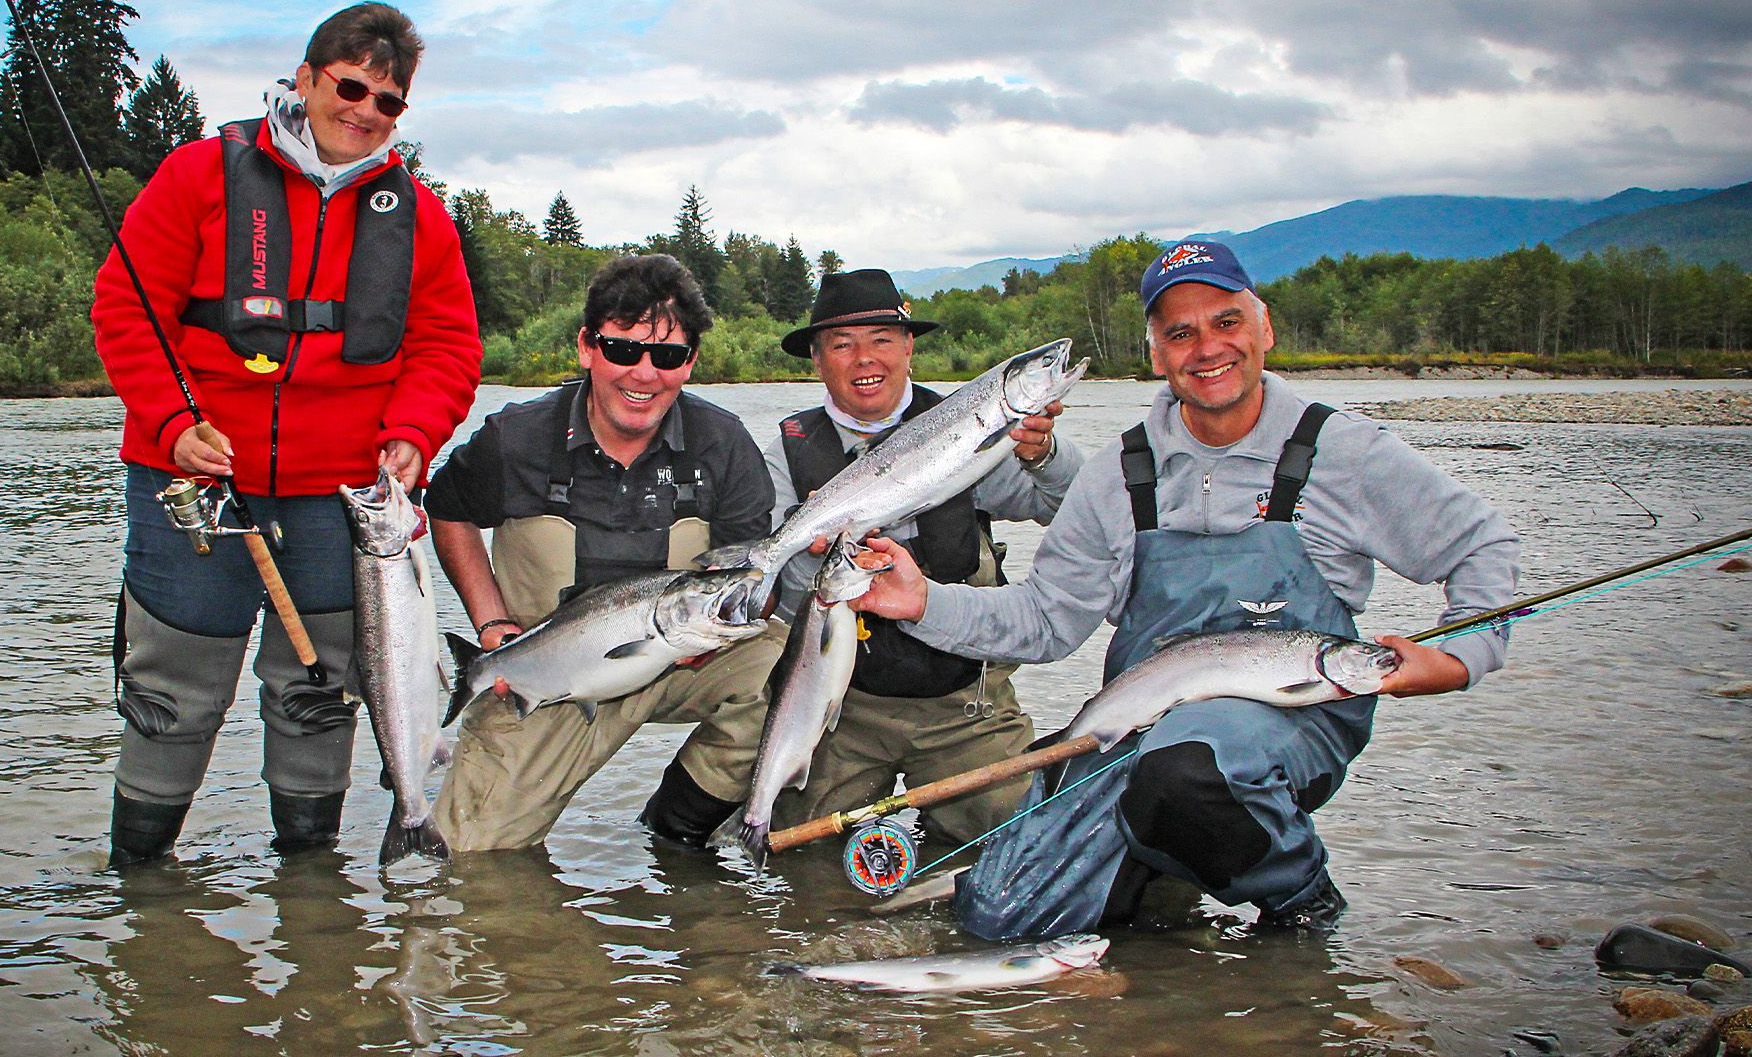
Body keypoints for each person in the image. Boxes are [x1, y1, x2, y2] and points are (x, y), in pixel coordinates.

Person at [852, 241, 1519, 939]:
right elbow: (1045, 619)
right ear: (1156, 355)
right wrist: (922, 600)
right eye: (1180, 332)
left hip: (1292, 720)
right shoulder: (1117, 472)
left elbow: (1481, 547)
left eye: (1226, 322)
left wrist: (1459, 657)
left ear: (1264, 329)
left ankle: (1302, 901)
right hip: (1141, 725)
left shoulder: (1343, 451)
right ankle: (1167, 881)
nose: (1207, 347)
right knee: (1002, 916)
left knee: (1186, 768)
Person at [93, 2, 481, 866]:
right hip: (190, 480)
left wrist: (416, 432)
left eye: (389, 102)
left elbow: (449, 347)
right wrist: (170, 420)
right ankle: (138, 882)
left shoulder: (421, 217)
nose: (365, 111)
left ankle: (313, 893)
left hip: (339, 502)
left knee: (316, 694)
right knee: (172, 693)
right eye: (350, 87)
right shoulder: (198, 176)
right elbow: (124, 309)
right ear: (304, 80)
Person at [425, 254, 785, 851]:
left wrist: (721, 629)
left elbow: (750, 572)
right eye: (623, 350)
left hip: (682, 660)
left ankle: (676, 832)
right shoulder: (515, 439)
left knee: (798, 668)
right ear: (588, 347)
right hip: (549, 674)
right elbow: (448, 512)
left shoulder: (723, 444)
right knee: (471, 861)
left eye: (667, 356)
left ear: (689, 363)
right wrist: (490, 622)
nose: (644, 374)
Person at [764, 269, 1081, 848]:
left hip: (968, 708)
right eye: (842, 344)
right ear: (816, 358)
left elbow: (1067, 507)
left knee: (1028, 846)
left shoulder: (972, 428)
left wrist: (1045, 453)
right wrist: (817, 561)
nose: (866, 359)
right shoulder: (785, 454)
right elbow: (775, 604)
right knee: (800, 863)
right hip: (843, 712)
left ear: (909, 347)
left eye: (882, 340)